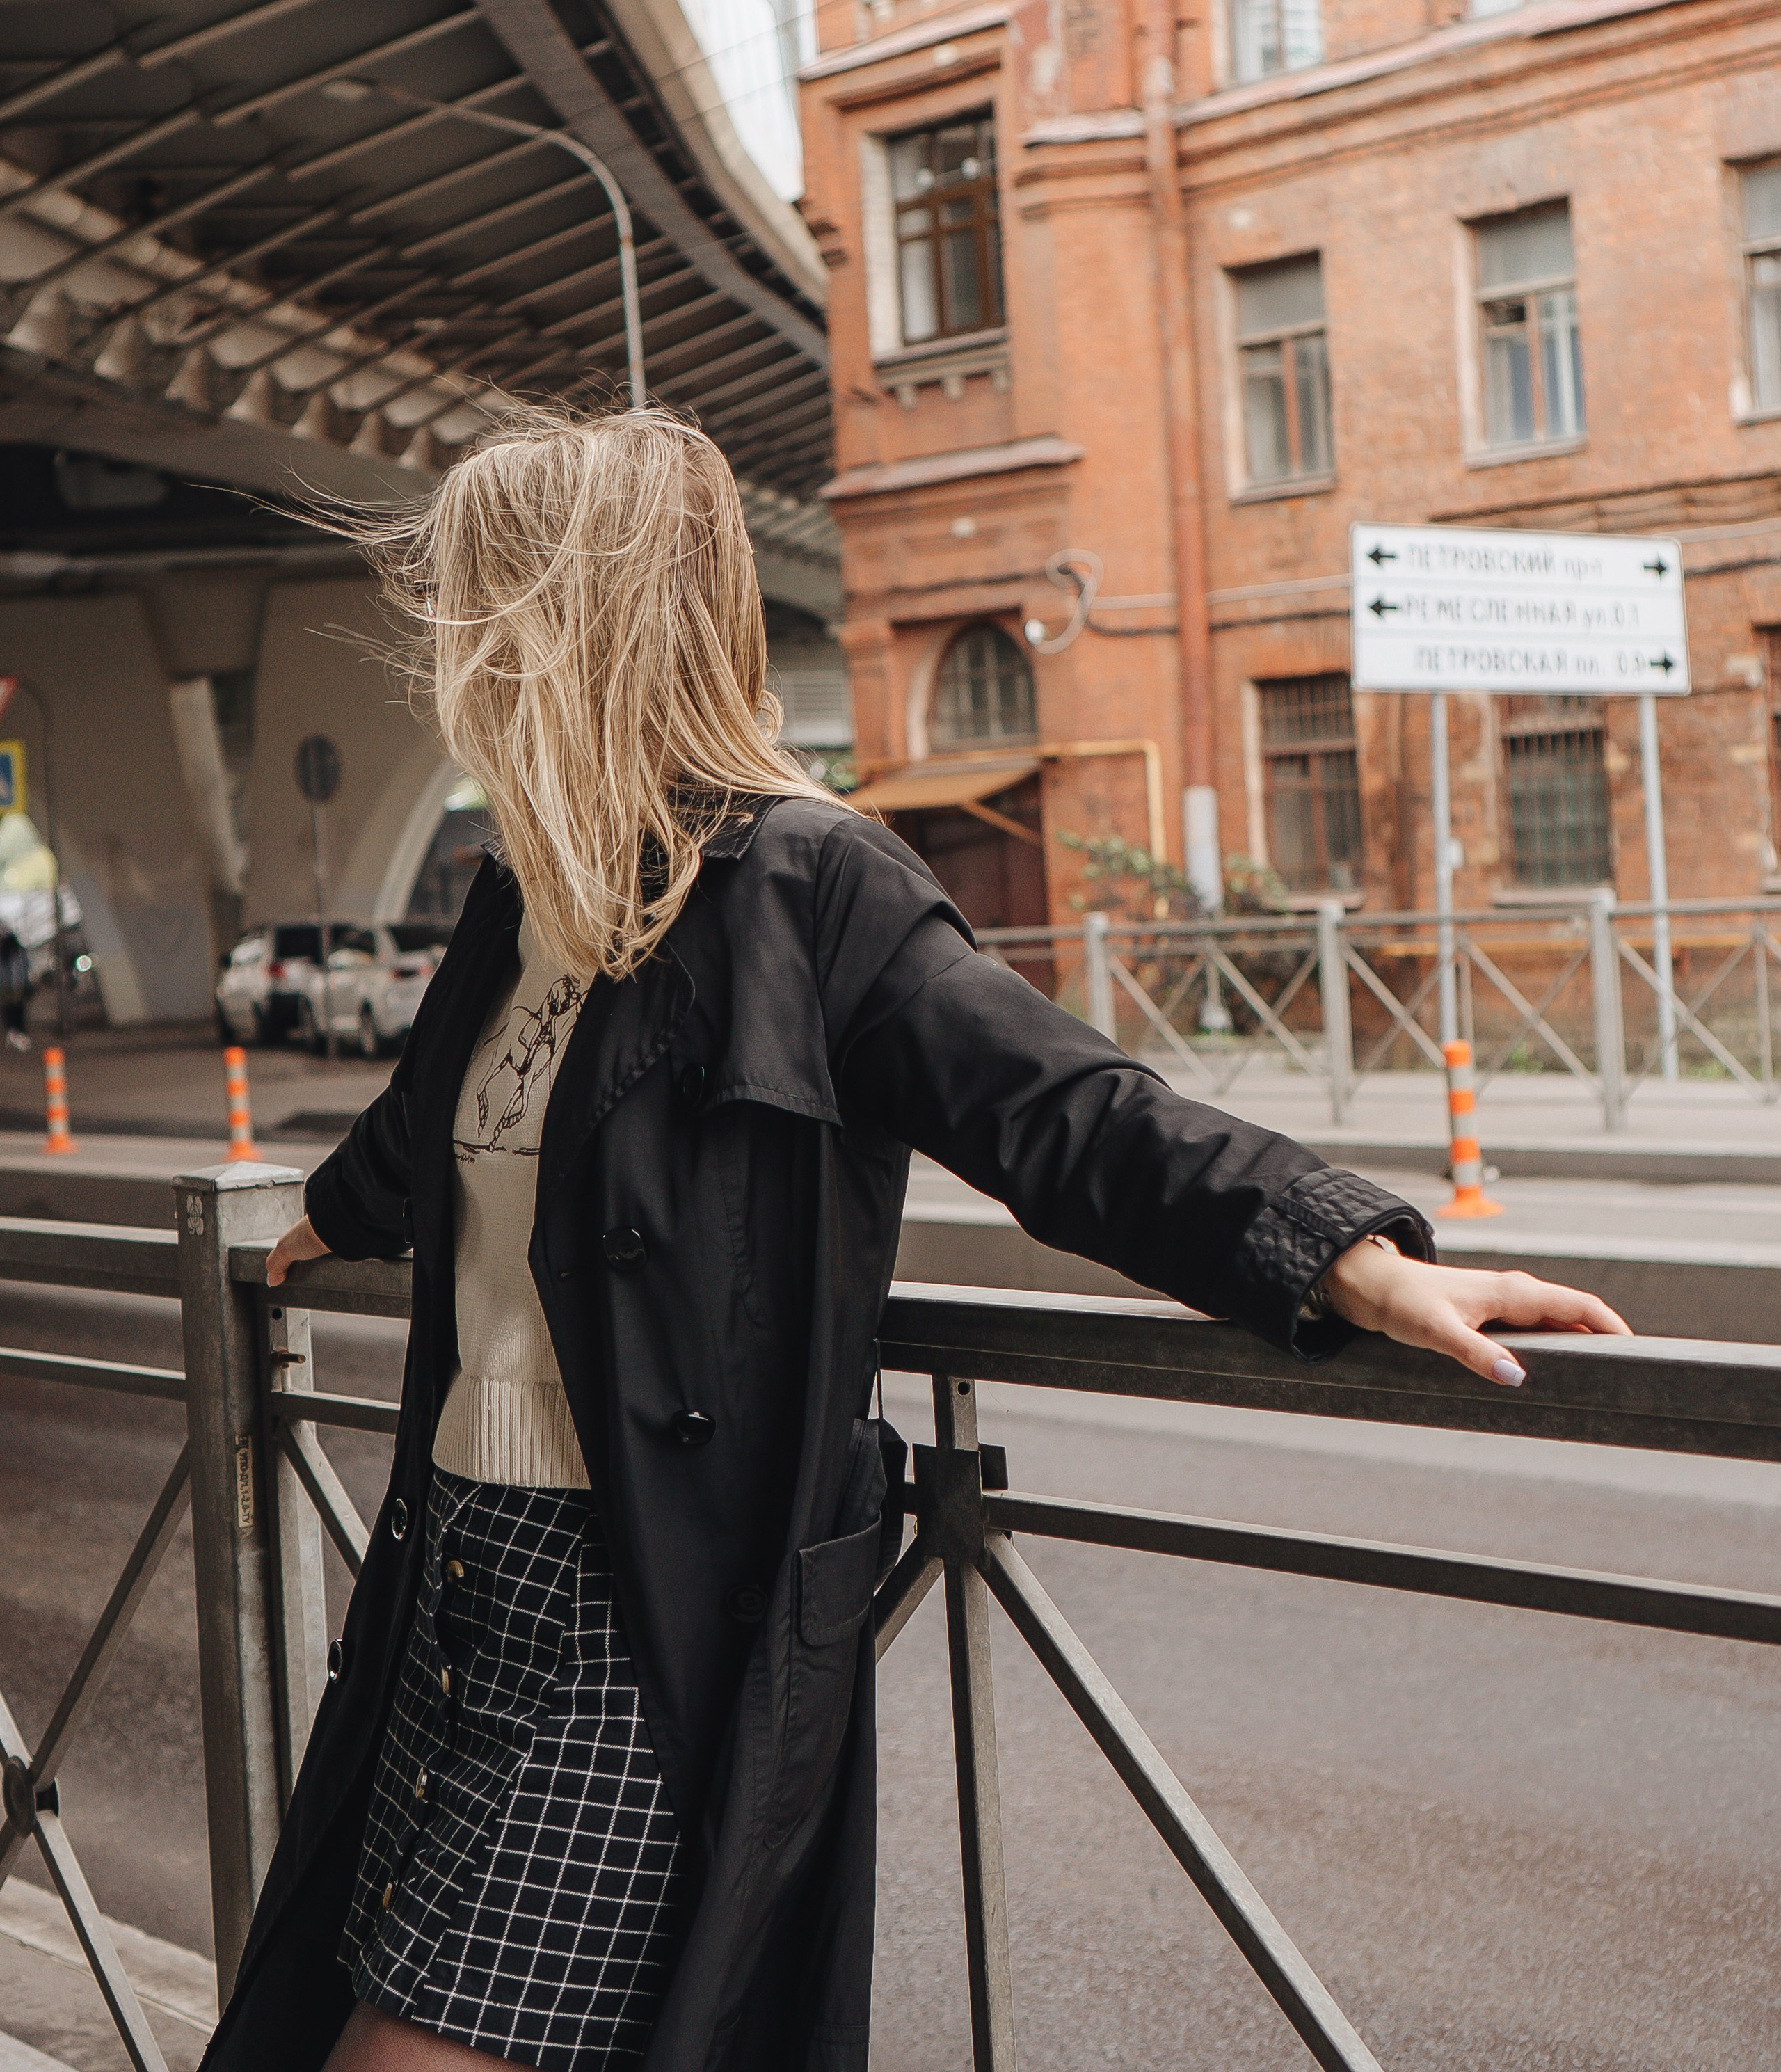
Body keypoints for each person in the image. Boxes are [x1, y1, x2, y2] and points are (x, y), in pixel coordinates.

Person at [211, 408, 1629, 2072]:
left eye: (478, 601)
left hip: (646, 1603)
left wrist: (1346, 1256)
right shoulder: (524, 893)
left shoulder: (807, 884)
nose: (450, 642)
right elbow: (430, 1128)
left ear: (564, 623)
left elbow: (1068, 1114)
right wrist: (308, 1220)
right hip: (456, 1567)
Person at [0, 928, 32, 1051]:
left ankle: (15, 1037)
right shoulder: (19, 953)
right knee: (16, 1013)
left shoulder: (8, 954)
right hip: (16, 988)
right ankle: (17, 1037)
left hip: (10, 988)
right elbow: (26, 968)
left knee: (12, 1014)